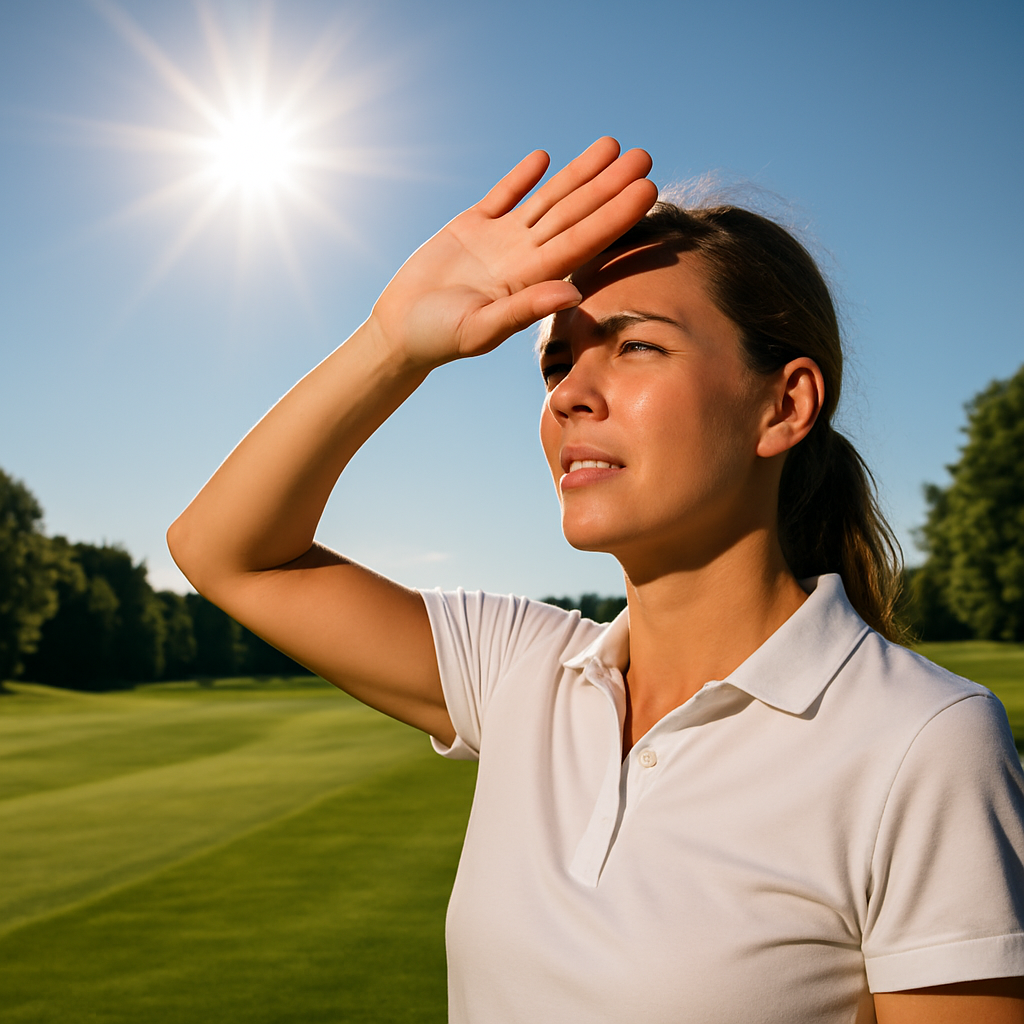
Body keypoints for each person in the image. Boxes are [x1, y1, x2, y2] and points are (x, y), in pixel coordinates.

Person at [167, 138, 1024, 1023]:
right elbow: (226, 550)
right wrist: (394, 343)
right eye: (555, 362)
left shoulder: (923, 741)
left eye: (636, 347)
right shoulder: (522, 673)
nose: (570, 393)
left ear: (785, 405)